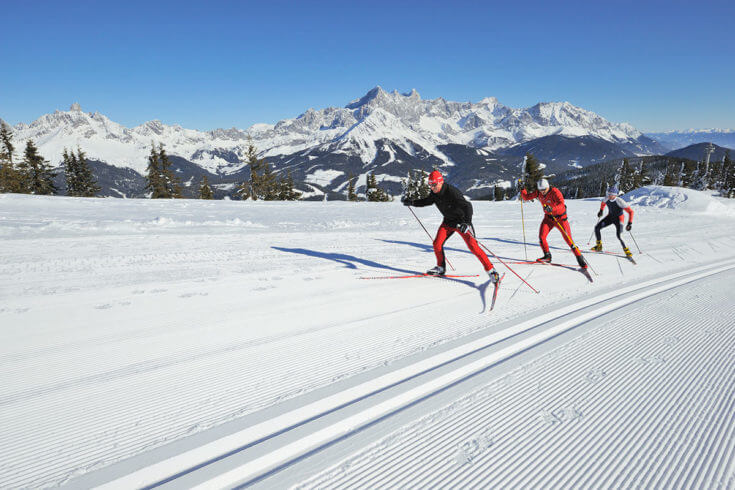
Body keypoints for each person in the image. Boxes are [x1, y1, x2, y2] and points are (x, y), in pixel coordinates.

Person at [402, 170, 500, 283]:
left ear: (440, 182)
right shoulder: (434, 193)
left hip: (461, 223)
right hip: (448, 222)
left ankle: (492, 271)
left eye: (434, 184)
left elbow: (467, 206)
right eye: (430, 184)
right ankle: (440, 268)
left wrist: (466, 223)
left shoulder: (451, 191)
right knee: (437, 244)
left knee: (473, 247)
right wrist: (412, 202)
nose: (432, 187)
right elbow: (427, 201)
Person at [520, 178, 588, 269]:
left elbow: (561, 204)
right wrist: (522, 189)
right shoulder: (538, 192)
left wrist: (552, 208)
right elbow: (526, 197)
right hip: (548, 219)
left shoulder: (555, 192)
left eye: (544, 190)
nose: (542, 192)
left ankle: (579, 257)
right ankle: (547, 256)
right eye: (541, 190)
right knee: (542, 237)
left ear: (548, 187)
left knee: (568, 240)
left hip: (561, 219)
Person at [592, 185, 634, 257]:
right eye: (609, 194)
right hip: (610, 217)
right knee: (597, 228)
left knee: (619, 235)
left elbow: (631, 212)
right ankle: (599, 246)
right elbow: (603, 203)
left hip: (619, 219)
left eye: (612, 194)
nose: (610, 196)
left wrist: (629, 223)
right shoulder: (606, 198)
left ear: (615, 195)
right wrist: (601, 211)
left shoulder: (620, 201)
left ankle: (627, 250)